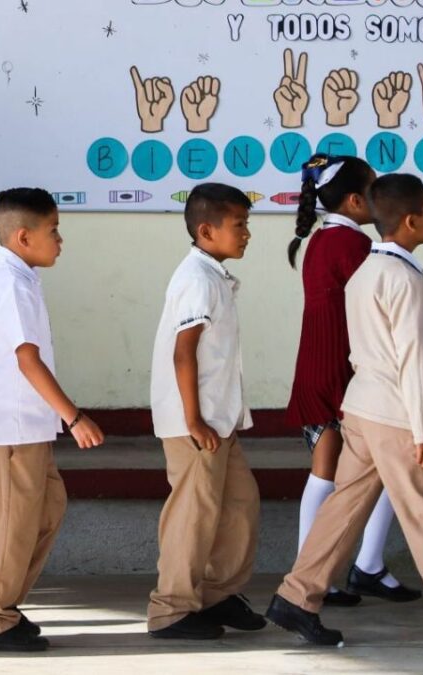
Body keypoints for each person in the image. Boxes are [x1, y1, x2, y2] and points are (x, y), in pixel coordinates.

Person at [266, 174, 423, 649]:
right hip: (395, 416)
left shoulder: (366, 270)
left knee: (342, 509)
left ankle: (296, 598)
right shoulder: (405, 277)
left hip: (360, 408)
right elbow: (413, 362)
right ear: (411, 220)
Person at [0, 187, 104, 652]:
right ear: (24, 237)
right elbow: (28, 360)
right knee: (13, 523)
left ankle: (4, 604)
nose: (60, 240)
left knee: (45, 510)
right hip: (12, 424)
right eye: (54, 231)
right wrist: (74, 416)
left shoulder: (20, 278)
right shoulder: (7, 283)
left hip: (27, 423)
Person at [285, 154, 420, 606]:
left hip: (329, 368)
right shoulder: (352, 246)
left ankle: (362, 567)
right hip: (336, 373)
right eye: (374, 191)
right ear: (356, 200)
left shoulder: (330, 239)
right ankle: (315, 573)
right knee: (329, 473)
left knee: (371, 471)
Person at [147, 183, 265, 640]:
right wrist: (193, 420)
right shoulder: (197, 279)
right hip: (194, 424)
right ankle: (171, 609)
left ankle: (215, 594)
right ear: (206, 230)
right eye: (240, 225)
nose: (247, 234)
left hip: (218, 421)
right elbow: (184, 353)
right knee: (193, 515)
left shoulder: (212, 274)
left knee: (239, 506)